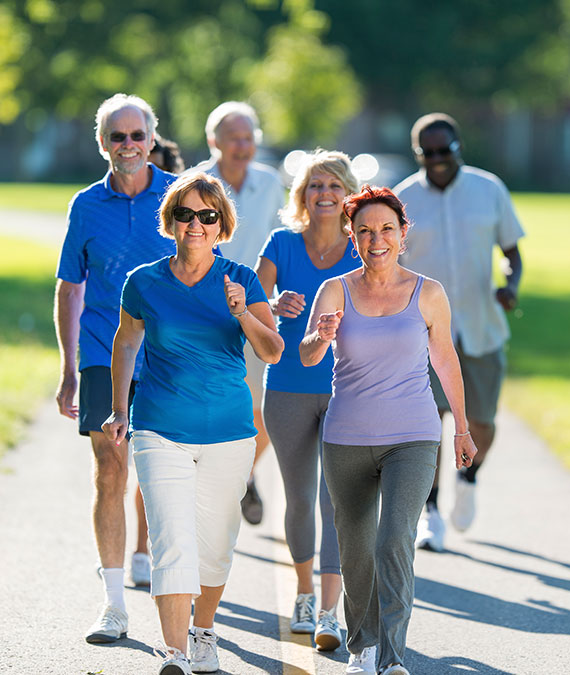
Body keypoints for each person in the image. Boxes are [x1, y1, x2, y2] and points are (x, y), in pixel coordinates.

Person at [102, 172, 283, 675]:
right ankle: (175, 651)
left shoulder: (240, 278)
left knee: (216, 542)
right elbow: (125, 341)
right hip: (161, 428)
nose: (196, 224)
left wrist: (244, 314)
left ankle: (204, 632)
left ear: (221, 224)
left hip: (229, 433)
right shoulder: (144, 281)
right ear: (172, 220)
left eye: (207, 215)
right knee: (171, 538)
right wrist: (120, 409)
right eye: (186, 214)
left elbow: (272, 349)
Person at [300, 185, 477, 675]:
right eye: (364, 232)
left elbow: (445, 359)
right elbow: (308, 353)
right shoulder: (335, 290)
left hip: (413, 437)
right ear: (352, 238)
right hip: (346, 439)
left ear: (403, 234)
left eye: (386, 230)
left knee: (394, 539)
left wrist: (460, 429)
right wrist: (321, 335)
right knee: (356, 550)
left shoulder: (429, 292)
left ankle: (393, 657)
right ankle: (364, 646)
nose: (375, 239)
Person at [55, 93, 177, 643]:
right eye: (116, 136)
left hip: (170, 354)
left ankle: (155, 560)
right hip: (104, 352)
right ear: (102, 142)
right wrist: (68, 369)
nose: (127, 145)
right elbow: (70, 286)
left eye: (136, 135)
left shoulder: (179, 198)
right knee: (111, 466)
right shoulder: (85, 205)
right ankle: (112, 604)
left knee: (162, 468)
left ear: (152, 140)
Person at [394, 112, 524, 552]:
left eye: (443, 151)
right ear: (418, 154)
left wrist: (511, 285)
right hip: (423, 333)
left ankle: (468, 475)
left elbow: (512, 252)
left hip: (482, 327)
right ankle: (430, 511)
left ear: (458, 146)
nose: (436, 160)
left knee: (482, 424)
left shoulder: (489, 189)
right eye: (426, 153)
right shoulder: (403, 199)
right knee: (430, 425)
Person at [255, 150, 360, 651]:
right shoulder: (280, 244)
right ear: (301, 195)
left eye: (335, 186)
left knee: (335, 500)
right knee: (298, 497)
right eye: (315, 186)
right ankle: (302, 593)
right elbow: (248, 307)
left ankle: (329, 611)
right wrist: (273, 306)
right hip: (288, 390)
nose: (325, 194)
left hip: (347, 390)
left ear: (349, 196)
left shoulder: (364, 250)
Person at [189, 101, 285, 525]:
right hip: (205, 313)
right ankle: (211, 486)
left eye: (249, 139)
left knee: (263, 410)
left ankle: (242, 476)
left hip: (258, 311)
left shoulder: (269, 182)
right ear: (215, 142)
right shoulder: (195, 182)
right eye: (234, 139)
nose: (243, 147)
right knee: (208, 405)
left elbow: (280, 243)